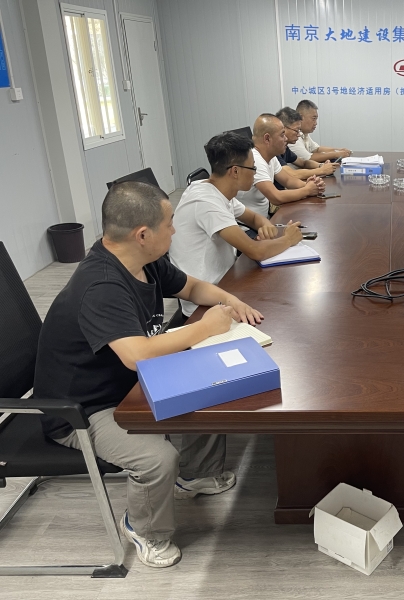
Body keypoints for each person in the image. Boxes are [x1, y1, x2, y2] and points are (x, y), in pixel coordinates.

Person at [33, 181, 265, 568]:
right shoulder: (102, 285)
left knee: (210, 383)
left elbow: (191, 287)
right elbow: (136, 355)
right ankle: (145, 530)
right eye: (169, 223)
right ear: (143, 234)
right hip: (82, 409)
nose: (174, 229)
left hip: (127, 384)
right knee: (157, 459)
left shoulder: (144, 261)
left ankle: (197, 474)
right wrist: (205, 327)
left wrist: (231, 301)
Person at [170, 132, 303, 317]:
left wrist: (264, 225)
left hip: (226, 282)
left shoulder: (216, 190)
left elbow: (254, 218)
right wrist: (288, 239)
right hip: (206, 304)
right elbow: (255, 251)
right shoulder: (206, 202)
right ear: (235, 171)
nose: (255, 173)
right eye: (253, 168)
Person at [237, 113, 325, 216]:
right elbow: (276, 197)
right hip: (248, 225)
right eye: (282, 135)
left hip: (263, 220)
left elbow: (288, 181)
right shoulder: (254, 160)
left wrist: (312, 185)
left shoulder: (270, 156)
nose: (286, 139)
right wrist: (307, 190)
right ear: (267, 139)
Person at [274, 106, 337, 184]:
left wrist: (321, 165)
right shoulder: (273, 150)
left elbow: (303, 163)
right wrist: (322, 170)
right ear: (283, 128)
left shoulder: (284, 147)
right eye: (296, 130)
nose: (299, 134)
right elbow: (291, 174)